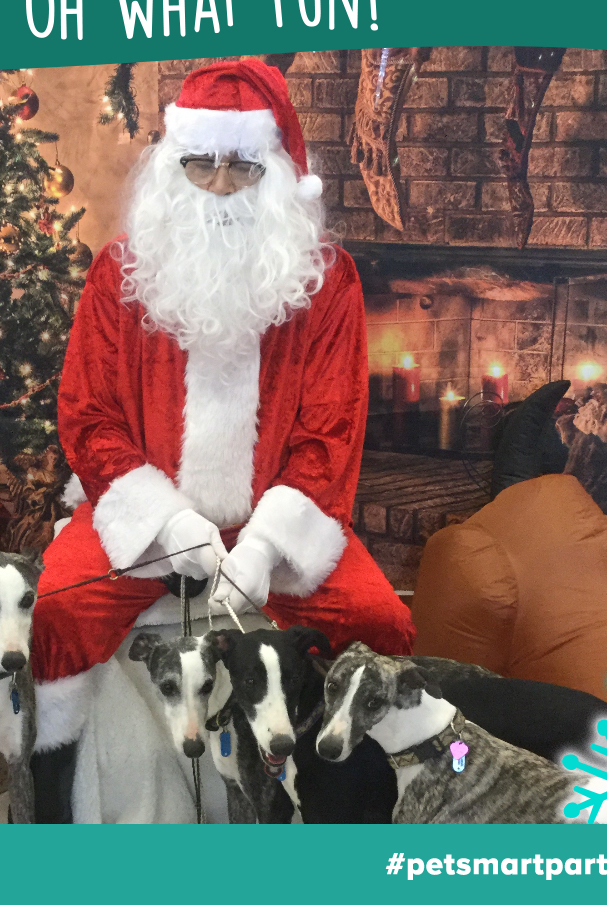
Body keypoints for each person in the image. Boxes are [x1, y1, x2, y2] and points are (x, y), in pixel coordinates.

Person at [29, 59, 415, 821]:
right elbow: (90, 417)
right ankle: (52, 813)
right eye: (199, 164)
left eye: (242, 167)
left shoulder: (327, 282)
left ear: (277, 175)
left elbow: (331, 432)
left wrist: (266, 547)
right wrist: (168, 524)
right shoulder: (119, 273)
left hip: (275, 516)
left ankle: (356, 809)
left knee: (380, 623)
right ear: (172, 166)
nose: (218, 186)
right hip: (148, 515)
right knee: (56, 615)